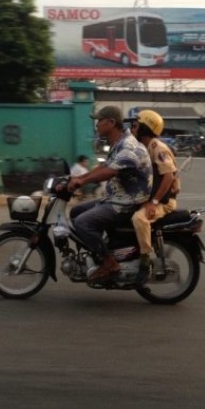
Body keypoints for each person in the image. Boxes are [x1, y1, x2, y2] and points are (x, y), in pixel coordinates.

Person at [66, 106, 152, 282]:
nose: (96, 125)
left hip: (127, 203)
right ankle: (102, 249)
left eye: (99, 121)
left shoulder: (128, 145)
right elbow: (105, 166)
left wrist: (82, 182)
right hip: (115, 198)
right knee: (75, 212)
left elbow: (110, 171)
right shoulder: (118, 143)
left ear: (111, 122)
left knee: (83, 222)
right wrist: (78, 178)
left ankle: (109, 262)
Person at [127, 109, 180, 284]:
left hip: (164, 202)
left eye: (135, 125)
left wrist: (153, 203)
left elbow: (168, 176)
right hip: (152, 198)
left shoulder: (158, 148)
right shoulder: (144, 147)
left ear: (145, 129)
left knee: (139, 219)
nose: (132, 129)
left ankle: (145, 262)